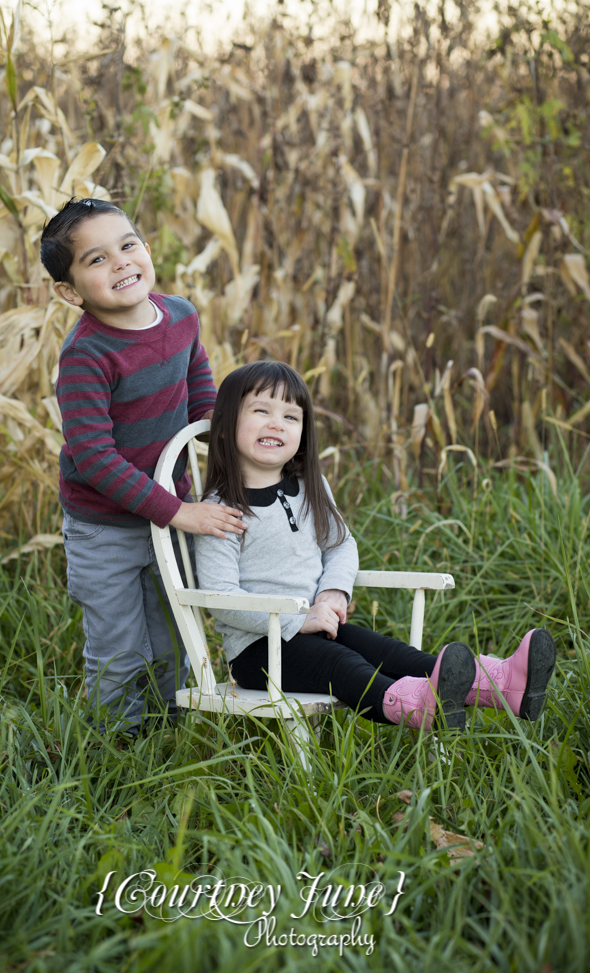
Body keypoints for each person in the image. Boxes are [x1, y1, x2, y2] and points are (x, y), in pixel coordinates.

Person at [195, 361, 556, 730]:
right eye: (261, 411)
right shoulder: (218, 512)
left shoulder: (310, 486)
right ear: (226, 425)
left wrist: (334, 591)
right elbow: (221, 598)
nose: (276, 423)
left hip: (318, 626)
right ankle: (415, 705)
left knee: (390, 652)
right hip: (259, 652)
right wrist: (296, 620)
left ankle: (502, 684)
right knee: (342, 665)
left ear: (304, 431)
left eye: (291, 416)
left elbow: (340, 545)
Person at [41, 198, 247, 735]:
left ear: (146, 248)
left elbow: (195, 378)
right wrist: (178, 512)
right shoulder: (88, 354)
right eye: (96, 260)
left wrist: (221, 433)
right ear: (70, 292)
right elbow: (94, 457)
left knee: (172, 632)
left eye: (127, 246)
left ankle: (168, 731)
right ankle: (118, 747)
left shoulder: (179, 315)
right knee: (119, 646)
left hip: (168, 512)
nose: (120, 263)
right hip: (103, 527)